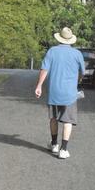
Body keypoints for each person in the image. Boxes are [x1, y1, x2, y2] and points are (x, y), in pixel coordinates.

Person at [34, 27, 85, 159]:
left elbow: (44, 69)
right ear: (71, 40)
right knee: (68, 120)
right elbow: (82, 72)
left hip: (54, 91)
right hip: (70, 93)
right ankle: (63, 149)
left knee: (53, 118)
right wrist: (78, 80)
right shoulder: (77, 54)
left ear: (60, 39)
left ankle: (54, 144)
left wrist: (39, 86)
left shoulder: (52, 51)